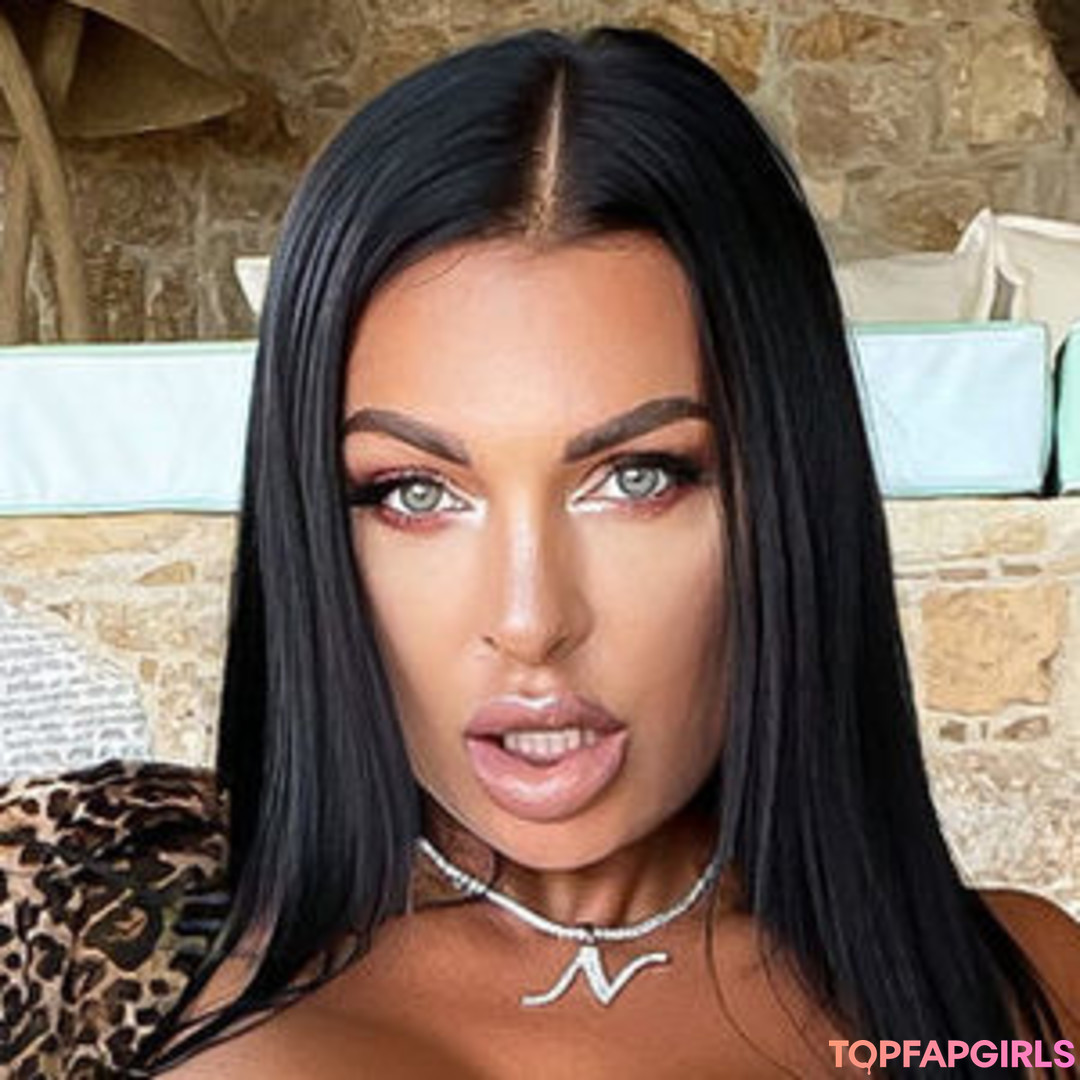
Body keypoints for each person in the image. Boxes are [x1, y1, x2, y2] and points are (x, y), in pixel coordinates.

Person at [2, 24, 1079, 1080]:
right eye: (414, 492)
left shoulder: (1012, 1004)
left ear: (788, 497)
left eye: (640, 478)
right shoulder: (133, 953)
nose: (530, 620)